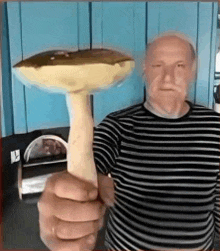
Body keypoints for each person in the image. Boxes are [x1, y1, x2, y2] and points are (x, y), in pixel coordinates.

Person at [37, 32, 220, 251]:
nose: (168, 77)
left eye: (179, 66)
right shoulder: (118, 125)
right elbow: (86, 170)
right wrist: (64, 201)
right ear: (145, 71)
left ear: (192, 72)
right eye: (157, 65)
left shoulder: (215, 126)